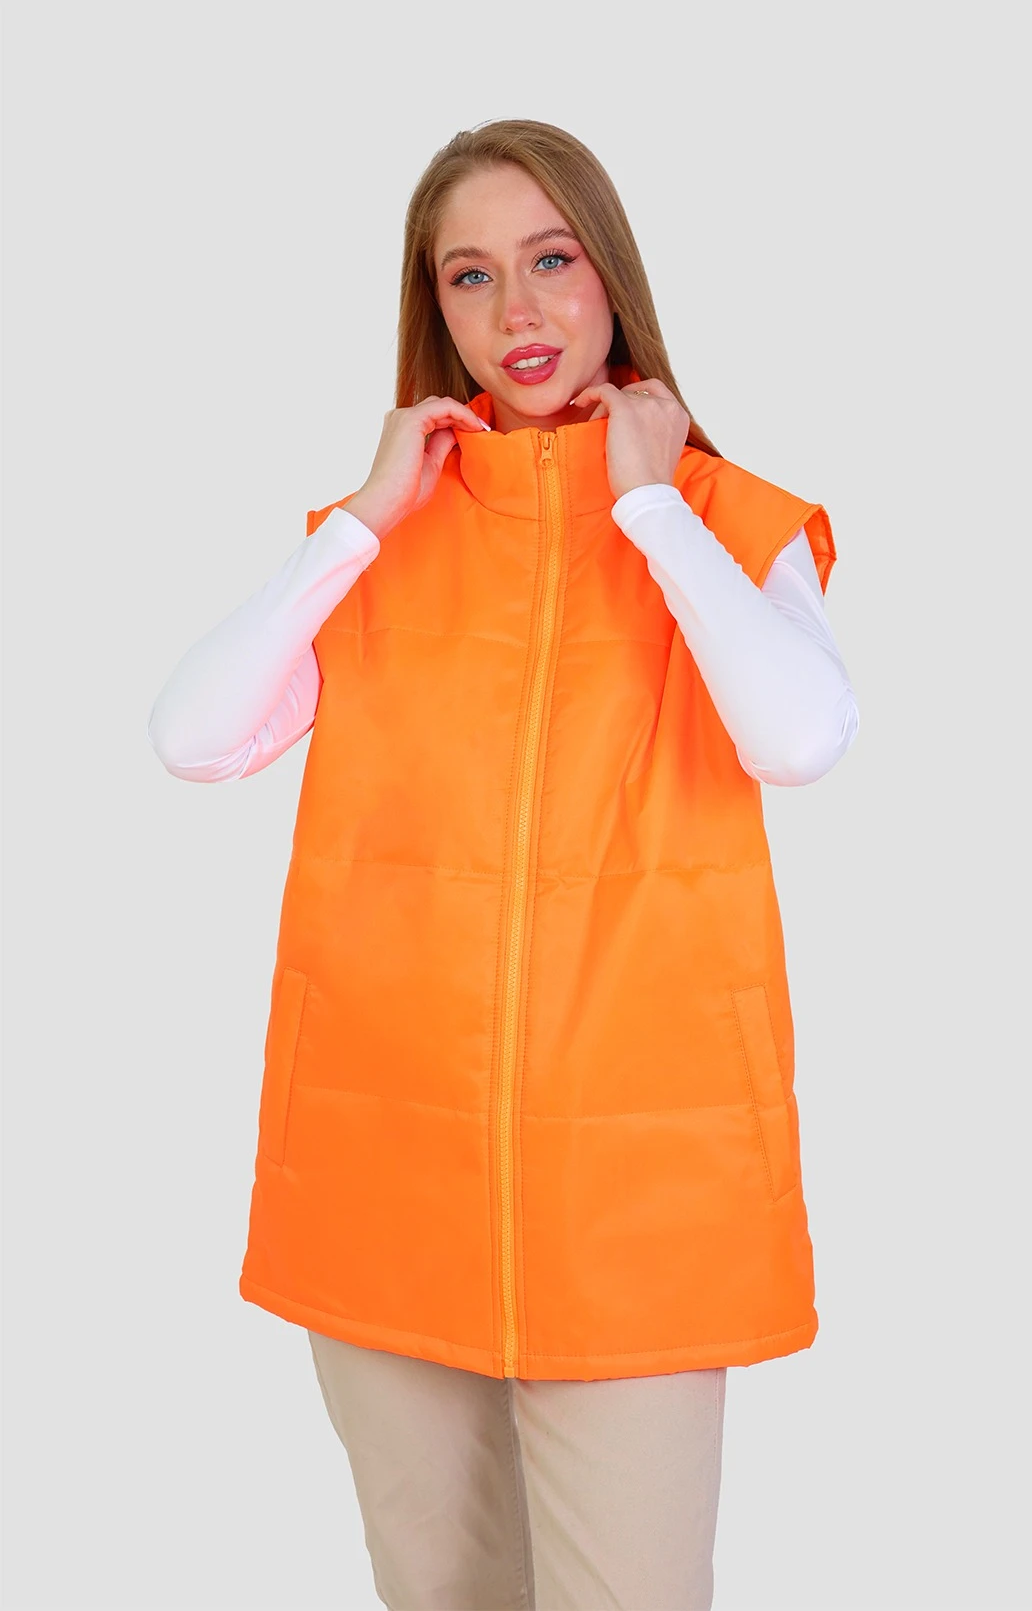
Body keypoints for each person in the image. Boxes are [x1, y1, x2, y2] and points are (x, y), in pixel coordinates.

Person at [148, 118, 859, 1611]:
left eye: (551, 259)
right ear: (437, 310)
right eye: (470, 276)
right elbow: (194, 739)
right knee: (440, 1593)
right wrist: (359, 520)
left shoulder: (724, 521)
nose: (517, 310)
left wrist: (649, 503)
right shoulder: (384, 538)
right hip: (386, 1168)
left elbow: (800, 738)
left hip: (640, 1194)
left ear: (612, 276)